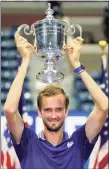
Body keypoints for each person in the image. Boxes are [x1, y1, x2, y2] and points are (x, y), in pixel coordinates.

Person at [4, 32, 108, 169]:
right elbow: (10, 110)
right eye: (48, 110)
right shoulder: (28, 141)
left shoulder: (79, 141)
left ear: (66, 111)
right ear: (39, 112)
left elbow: (104, 106)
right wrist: (25, 61)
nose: (53, 115)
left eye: (58, 109)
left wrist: (76, 64)